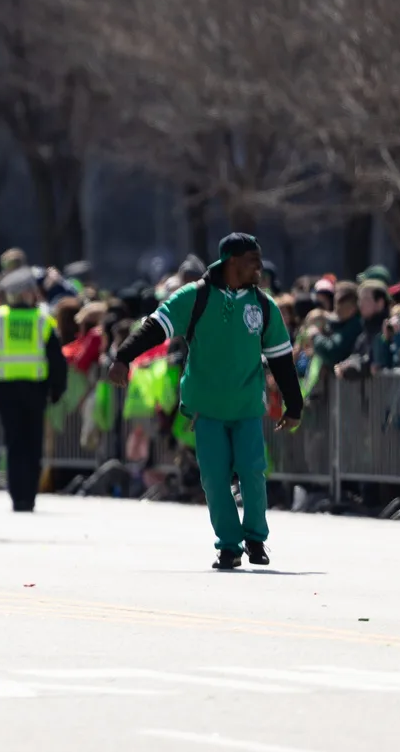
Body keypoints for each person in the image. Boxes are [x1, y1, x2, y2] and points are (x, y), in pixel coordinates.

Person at [107, 232, 303, 569]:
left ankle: (256, 539)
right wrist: (124, 357)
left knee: (253, 472)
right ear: (231, 262)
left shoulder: (264, 306)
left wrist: (294, 405)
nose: (258, 267)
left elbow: (282, 360)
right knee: (213, 478)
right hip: (207, 409)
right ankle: (229, 546)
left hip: (246, 408)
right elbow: (156, 327)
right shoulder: (194, 297)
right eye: (251, 260)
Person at [0, 266, 67, 511]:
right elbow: (57, 359)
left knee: (14, 445)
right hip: (35, 391)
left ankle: (18, 497)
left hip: (6, 392)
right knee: (33, 444)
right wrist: (57, 389)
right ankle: (29, 496)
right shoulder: (43, 320)